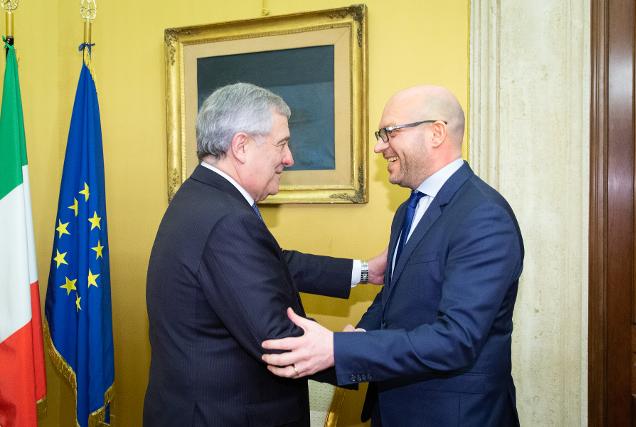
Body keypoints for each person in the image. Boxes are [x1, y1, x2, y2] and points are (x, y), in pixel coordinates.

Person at [262, 85, 524, 426]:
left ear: (436, 133)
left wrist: (340, 350)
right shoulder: (408, 209)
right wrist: (360, 337)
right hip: (395, 409)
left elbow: (456, 339)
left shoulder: (483, 216)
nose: (379, 146)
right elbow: (393, 297)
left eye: (390, 133)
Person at [143, 83, 385, 427]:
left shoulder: (203, 197)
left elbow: (271, 264)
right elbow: (280, 343)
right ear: (241, 146)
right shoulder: (226, 219)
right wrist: (356, 350)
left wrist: (365, 271)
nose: (289, 158)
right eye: (282, 144)